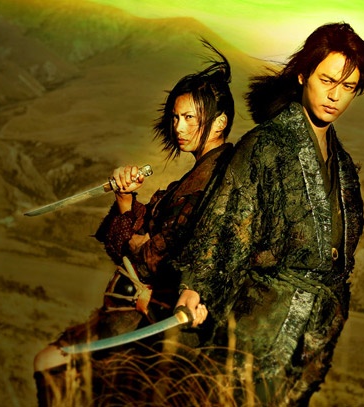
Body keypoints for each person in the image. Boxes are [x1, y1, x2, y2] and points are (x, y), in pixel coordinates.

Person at [175, 22, 364, 405]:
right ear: (303, 75)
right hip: (257, 324)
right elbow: (225, 224)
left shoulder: (344, 167)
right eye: (327, 80)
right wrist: (195, 288)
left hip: (312, 339)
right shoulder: (265, 146)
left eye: (348, 87)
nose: (335, 95)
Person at [32, 41, 235, 406]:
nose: (179, 127)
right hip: (129, 315)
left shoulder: (212, 185)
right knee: (49, 363)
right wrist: (126, 200)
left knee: (53, 365)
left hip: (151, 326)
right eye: (175, 117)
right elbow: (133, 243)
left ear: (219, 122)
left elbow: (152, 259)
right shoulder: (195, 178)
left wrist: (138, 237)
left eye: (190, 118)